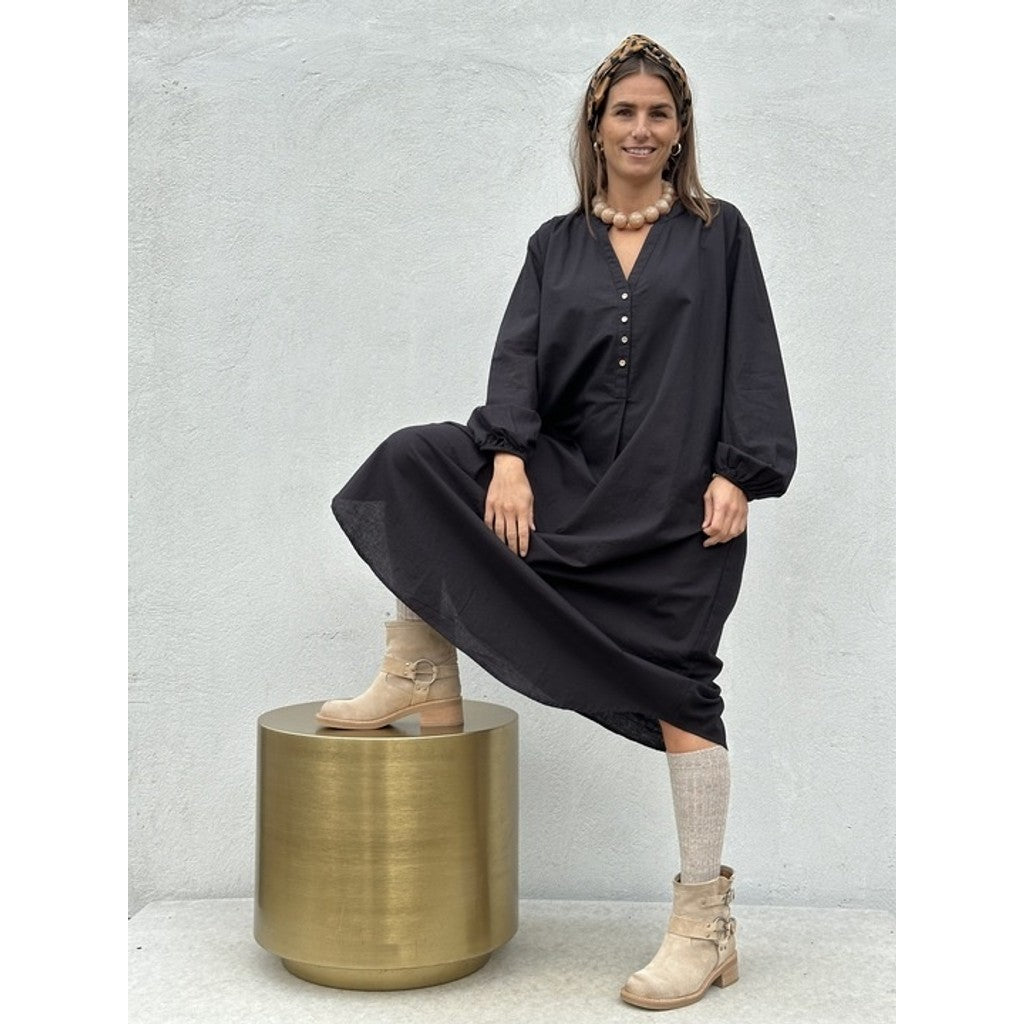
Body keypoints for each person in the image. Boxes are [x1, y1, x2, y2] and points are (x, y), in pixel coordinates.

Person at [319, 34, 796, 1010]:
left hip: (676, 504)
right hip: (568, 483)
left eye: (658, 113)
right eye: (624, 112)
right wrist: (506, 458)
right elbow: (518, 361)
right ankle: (417, 663)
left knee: (682, 693)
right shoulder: (554, 245)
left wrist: (738, 473)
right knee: (415, 460)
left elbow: (751, 354)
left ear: (680, 130)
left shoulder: (719, 233)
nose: (640, 128)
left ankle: (704, 926)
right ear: (595, 126)